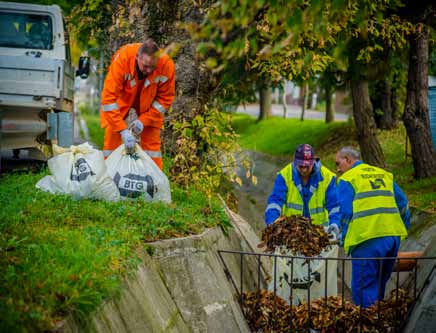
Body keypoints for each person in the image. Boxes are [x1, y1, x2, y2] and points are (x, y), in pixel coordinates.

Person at [335, 146, 410, 308]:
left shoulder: (348, 179)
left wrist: (343, 238)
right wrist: (404, 227)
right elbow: (403, 203)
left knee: (364, 290)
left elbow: (346, 213)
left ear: (348, 159)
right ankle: (380, 321)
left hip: (367, 240)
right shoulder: (384, 174)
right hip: (391, 239)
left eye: (338, 163)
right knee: (379, 285)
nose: (337, 169)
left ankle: (369, 326)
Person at [100, 38, 176, 169]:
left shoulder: (166, 65)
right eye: (145, 65)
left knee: (152, 146)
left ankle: (154, 182)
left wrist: (144, 120)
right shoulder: (123, 58)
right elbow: (108, 100)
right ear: (137, 58)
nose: (149, 70)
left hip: (149, 104)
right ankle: (109, 176)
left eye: (153, 66)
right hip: (124, 97)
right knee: (112, 135)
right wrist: (123, 131)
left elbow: (165, 100)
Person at [264, 144, 341, 232]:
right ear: (295, 161)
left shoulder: (327, 177)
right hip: (292, 232)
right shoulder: (284, 176)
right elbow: (275, 202)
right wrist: (272, 222)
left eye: (307, 166)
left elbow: (334, 207)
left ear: (313, 161)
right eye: (301, 166)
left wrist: (335, 225)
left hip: (319, 233)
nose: (304, 170)